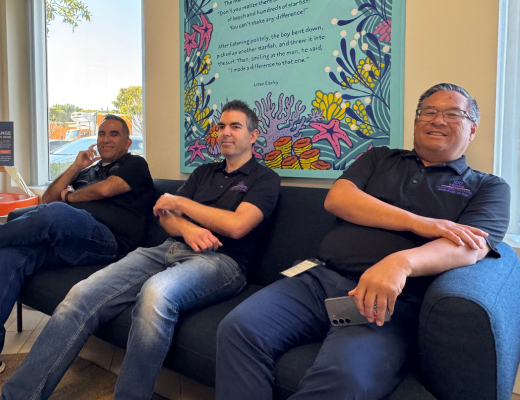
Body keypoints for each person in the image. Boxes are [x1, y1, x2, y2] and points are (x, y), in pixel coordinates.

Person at [215, 83, 511, 399]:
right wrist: (419, 223)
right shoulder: (380, 158)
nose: (438, 120)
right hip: (317, 280)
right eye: (429, 112)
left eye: (453, 113)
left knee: (344, 376)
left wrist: (401, 262)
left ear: (472, 129)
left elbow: (469, 246)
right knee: (238, 328)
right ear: (416, 121)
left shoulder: (488, 187)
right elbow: (339, 199)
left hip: (391, 301)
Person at [0, 100, 280, 400]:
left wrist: (181, 204)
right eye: (221, 126)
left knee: (156, 293)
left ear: (253, 135)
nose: (225, 132)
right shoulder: (203, 173)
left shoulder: (264, 179)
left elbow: (237, 225)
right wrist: (187, 228)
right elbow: (163, 212)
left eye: (235, 126)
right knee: (81, 294)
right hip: (168, 248)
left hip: (222, 262)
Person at [0, 114, 154, 400]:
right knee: (9, 255)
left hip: (110, 243)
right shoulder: (88, 171)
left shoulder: (135, 164)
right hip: (70, 240)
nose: (106, 139)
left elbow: (105, 189)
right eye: (102, 133)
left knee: (58, 212)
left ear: (127, 141)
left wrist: (70, 198)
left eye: (114, 134)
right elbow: (47, 199)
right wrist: (76, 166)